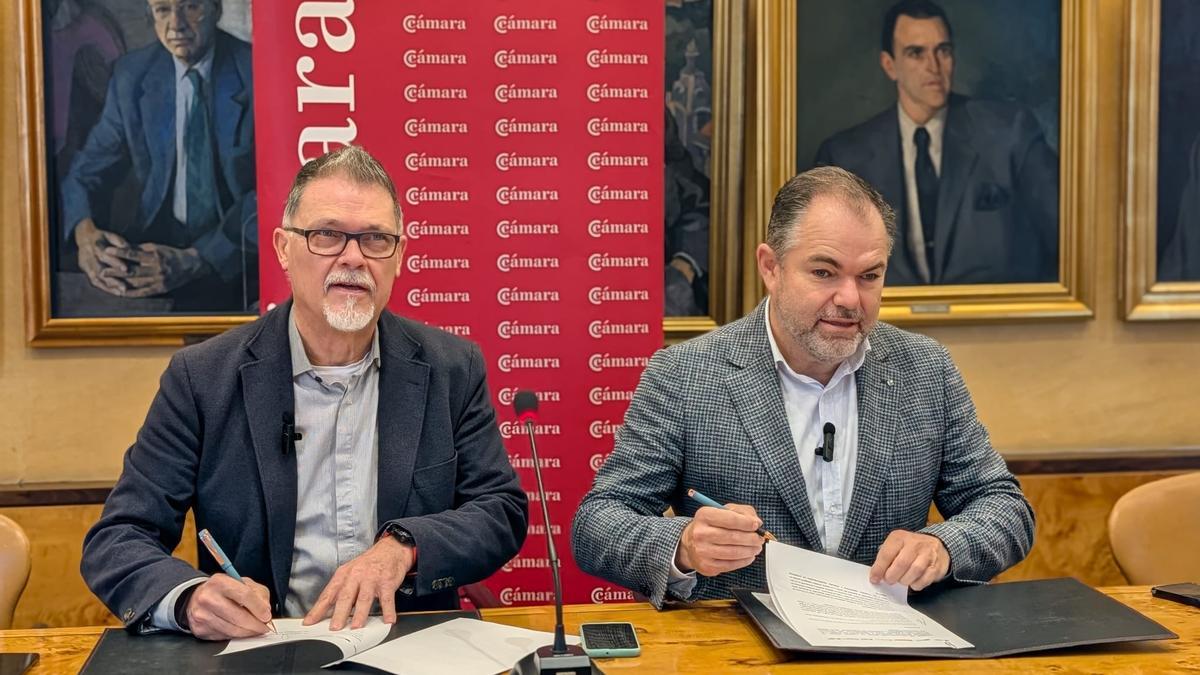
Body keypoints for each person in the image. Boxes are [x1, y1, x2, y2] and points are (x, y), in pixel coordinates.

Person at [81, 145, 528, 639]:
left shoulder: (451, 368)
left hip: (406, 641)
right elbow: (119, 538)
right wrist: (189, 597)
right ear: (282, 249)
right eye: (327, 235)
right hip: (259, 645)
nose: (353, 257)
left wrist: (405, 546)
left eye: (376, 239)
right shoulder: (203, 377)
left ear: (398, 256)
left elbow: (499, 512)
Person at [572, 166, 1034, 607]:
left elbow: (1004, 508)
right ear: (771, 267)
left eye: (870, 276)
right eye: (824, 272)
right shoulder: (684, 375)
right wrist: (683, 545)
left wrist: (942, 546)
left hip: (892, 652)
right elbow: (598, 524)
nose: (850, 298)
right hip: (741, 655)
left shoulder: (925, 370)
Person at [813, 0, 1058, 286]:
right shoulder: (844, 156)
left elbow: (1068, 244)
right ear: (890, 65)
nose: (934, 66)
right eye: (916, 53)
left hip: (996, 320)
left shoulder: (1009, 133)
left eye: (943, 51)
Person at [60, 0, 257, 311]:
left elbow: (278, 191)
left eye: (191, 7)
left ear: (217, 10)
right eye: (163, 10)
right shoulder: (132, 74)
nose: (176, 24)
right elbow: (86, 171)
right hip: (153, 253)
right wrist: (86, 236)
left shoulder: (258, 72)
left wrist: (200, 258)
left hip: (240, 261)